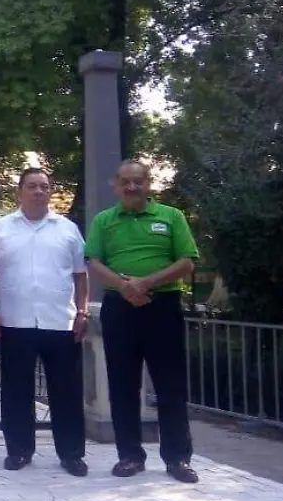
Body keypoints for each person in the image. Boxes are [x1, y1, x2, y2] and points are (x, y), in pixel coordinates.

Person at [85, 160, 200, 484]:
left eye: (138, 181)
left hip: (162, 306)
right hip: (119, 307)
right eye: (126, 182)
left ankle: (177, 458)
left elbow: (187, 261)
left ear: (149, 184)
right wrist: (125, 286)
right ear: (116, 185)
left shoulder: (171, 216)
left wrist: (145, 283)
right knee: (122, 384)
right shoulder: (104, 221)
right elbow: (93, 260)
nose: (132, 187)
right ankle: (130, 456)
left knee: (170, 385)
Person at [0, 168, 89, 476]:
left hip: (60, 322)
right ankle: (19, 451)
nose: (38, 191)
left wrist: (82, 312)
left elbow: (81, 275)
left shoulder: (67, 229)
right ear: (20, 192)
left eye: (44, 186)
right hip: (14, 321)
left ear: (50, 191)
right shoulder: (0, 229)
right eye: (32, 186)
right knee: (16, 391)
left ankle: (71, 454)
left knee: (66, 392)